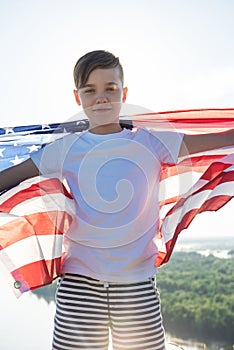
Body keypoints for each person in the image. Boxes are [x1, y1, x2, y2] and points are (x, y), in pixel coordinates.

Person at [0, 50, 233, 350]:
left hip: (137, 286)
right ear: (77, 98)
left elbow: (212, 141)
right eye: (90, 90)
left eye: (110, 89)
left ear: (123, 93)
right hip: (79, 286)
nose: (101, 98)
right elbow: (13, 175)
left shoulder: (150, 141)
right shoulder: (67, 148)